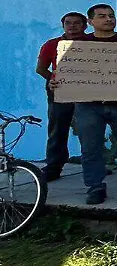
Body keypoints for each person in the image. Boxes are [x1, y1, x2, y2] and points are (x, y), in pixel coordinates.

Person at [49, 4, 117, 205]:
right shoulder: (77, 45)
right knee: (90, 147)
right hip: (88, 106)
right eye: (102, 16)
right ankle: (95, 187)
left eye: (111, 15)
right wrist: (55, 82)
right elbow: (63, 74)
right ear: (90, 21)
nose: (109, 19)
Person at [36, 11, 87, 182]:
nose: (72, 26)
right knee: (58, 129)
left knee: (90, 128)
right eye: (68, 23)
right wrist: (54, 79)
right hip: (59, 90)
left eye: (77, 23)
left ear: (85, 26)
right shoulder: (52, 44)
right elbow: (41, 69)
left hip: (87, 90)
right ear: (63, 25)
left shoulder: (93, 44)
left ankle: (95, 165)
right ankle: (53, 167)